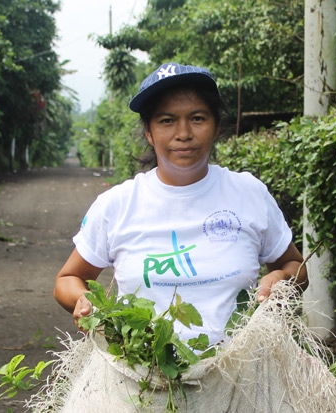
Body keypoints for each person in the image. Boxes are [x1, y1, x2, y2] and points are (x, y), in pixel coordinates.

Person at [54, 62, 309, 347]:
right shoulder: (117, 204)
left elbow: (295, 265)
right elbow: (68, 278)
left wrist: (282, 278)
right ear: (149, 133)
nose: (184, 133)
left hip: (241, 374)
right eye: (167, 121)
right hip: (139, 379)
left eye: (198, 118)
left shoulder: (249, 193)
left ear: (215, 126)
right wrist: (84, 300)